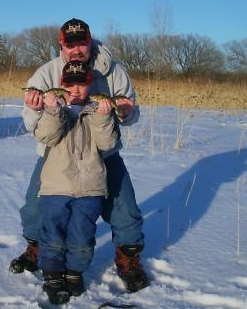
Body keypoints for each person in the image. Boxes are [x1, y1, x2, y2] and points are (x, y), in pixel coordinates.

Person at [11, 18, 149, 293]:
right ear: (61, 44)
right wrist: (39, 108)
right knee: (35, 207)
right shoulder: (46, 74)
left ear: (89, 42)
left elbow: (131, 112)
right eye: (70, 44)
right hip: (57, 157)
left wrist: (124, 111)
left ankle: (129, 260)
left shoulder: (113, 71)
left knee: (125, 208)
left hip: (103, 154)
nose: (76, 50)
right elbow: (31, 125)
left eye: (81, 44)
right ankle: (36, 249)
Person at [35, 60, 118, 304]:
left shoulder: (96, 111)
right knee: (53, 234)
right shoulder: (54, 109)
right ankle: (51, 275)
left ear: (89, 85)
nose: (75, 89)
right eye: (70, 83)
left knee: (83, 235)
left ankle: (74, 272)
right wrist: (51, 111)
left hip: (89, 188)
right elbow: (46, 136)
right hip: (56, 187)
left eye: (81, 84)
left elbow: (108, 145)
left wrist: (104, 117)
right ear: (61, 85)